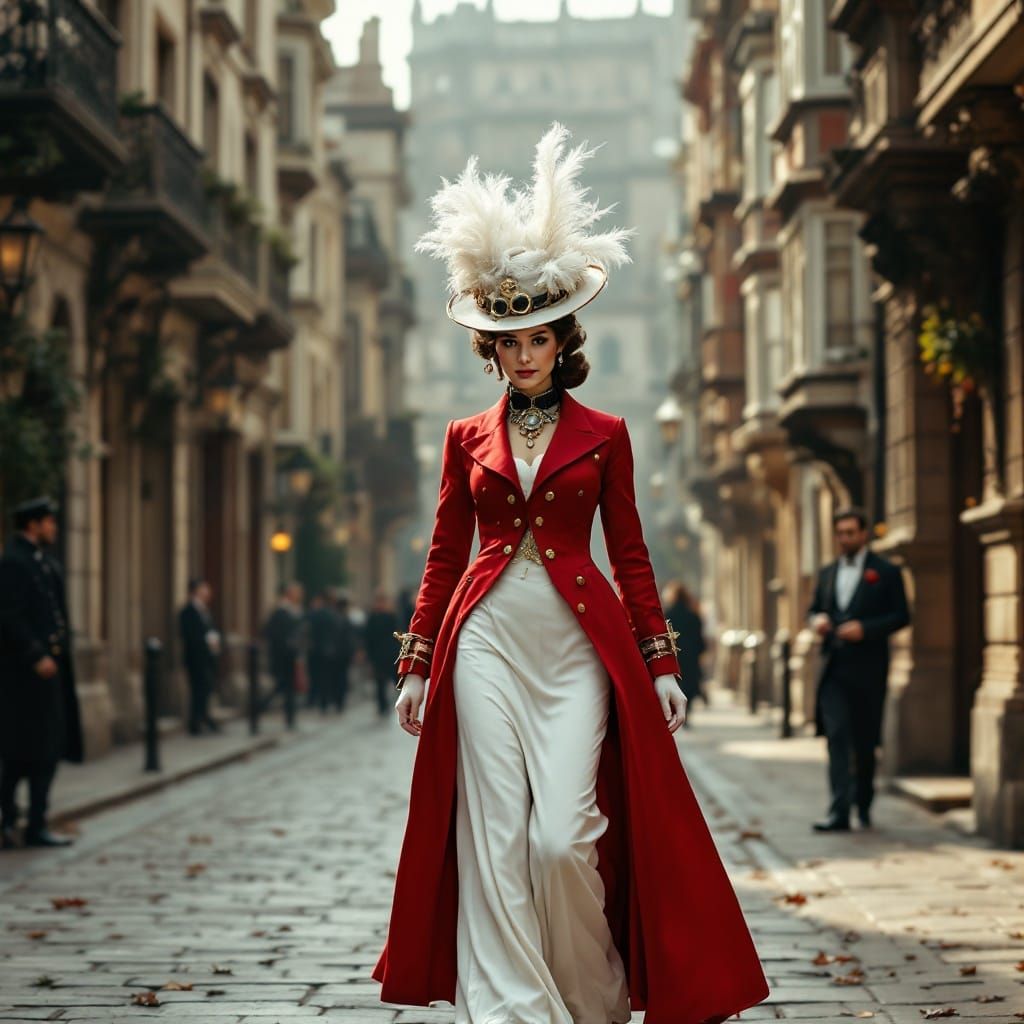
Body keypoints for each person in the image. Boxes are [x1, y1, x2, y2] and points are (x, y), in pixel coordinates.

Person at [373, 125, 768, 1024]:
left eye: (537, 338)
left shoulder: (611, 437)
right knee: (498, 836)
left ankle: (590, 1000)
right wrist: (418, 659)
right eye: (508, 340)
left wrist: (663, 661)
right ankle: (514, 1007)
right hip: (484, 640)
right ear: (494, 350)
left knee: (561, 838)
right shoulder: (463, 438)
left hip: (577, 645)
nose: (523, 354)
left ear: (562, 341)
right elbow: (443, 552)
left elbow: (630, 553)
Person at [808, 507, 910, 832]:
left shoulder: (886, 571)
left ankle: (862, 802)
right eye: (840, 533)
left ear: (864, 534)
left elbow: (902, 616)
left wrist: (866, 629)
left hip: (868, 671)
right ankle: (839, 811)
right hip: (834, 670)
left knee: (865, 743)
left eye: (851, 532)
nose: (845, 538)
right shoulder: (826, 573)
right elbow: (813, 610)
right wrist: (817, 621)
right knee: (836, 737)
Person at [0, 497, 83, 849]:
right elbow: (8, 615)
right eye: (48, 522)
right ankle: (10, 820)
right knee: (20, 753)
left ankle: (36, 822)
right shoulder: (14, 563)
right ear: (32, 524)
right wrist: (34, 654)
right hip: (24, 677)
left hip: (51, 674)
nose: (53, 528)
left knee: (47, 751)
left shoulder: (46, 564)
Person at [178, 578, 222, 735]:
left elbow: (211, 631)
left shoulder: (205, 610)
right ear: (196, 591)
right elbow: (188, 635)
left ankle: (203, 717)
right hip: (195, 658)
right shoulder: (187, 612)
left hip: (208, 658)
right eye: (204, 589)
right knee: (197, 689)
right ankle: (196, 722)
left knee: (205, 689)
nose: (208, 592)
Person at [262, 581, 304, 728]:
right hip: (283, 657)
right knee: (283, 687)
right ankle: (259, 708)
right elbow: (271, 633)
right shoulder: (280, 612)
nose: (300, 595)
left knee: (286, 688)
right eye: (297, 592)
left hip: (290, 657)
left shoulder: (294, 610)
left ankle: (290, 719)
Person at [662, 580, 707, 717]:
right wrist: (699, 651)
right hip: (691, 656)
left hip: (674, 656)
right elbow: (700, 639)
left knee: (677, 683)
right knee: (690, 685)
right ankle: (687, 711)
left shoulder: (667, 615)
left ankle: (676, 710)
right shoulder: (693, 616)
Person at [365, 590, 401, 716]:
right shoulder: (372, 617)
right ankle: (382, 706)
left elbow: (398, 635)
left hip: (390, 653)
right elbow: (368, 637)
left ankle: (398, 702)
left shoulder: (391, 616)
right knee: (380, 682)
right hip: (378, 655)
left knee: (394, 679)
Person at [307, 589, 341, 713]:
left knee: (318, 677)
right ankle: (329, 701)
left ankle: (320, 702)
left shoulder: (314, 615)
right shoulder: (334, 615)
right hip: (330, 651)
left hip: (316, 650)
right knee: (329, 677)